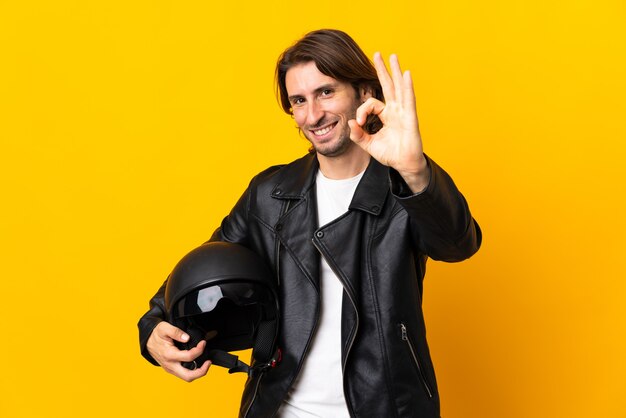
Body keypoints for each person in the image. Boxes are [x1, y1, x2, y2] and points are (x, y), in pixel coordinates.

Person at [138, 29, 482, 418]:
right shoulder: (269, 194)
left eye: (325, 92)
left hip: (388, 408)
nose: (312, 115)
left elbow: (459, 244)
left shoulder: (404, 186)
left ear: (364, 92)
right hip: (282, 408)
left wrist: (415, 170)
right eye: (299, 100)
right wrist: (152, 326)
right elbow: (205, 266)